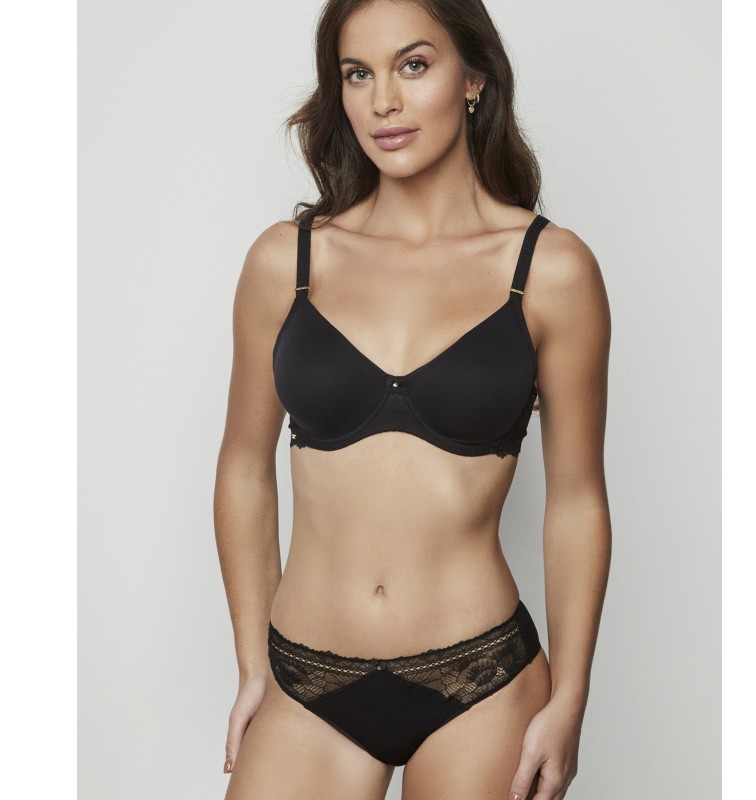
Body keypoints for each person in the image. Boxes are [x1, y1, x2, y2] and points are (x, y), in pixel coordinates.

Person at [213, 1, 611, 798]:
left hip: (481, 680)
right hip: (305, 677)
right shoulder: (287, 263)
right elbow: (243, 470)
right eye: (357, 74)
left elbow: (576, 501)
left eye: (414, 65)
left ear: (474, 78)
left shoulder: (550, 270)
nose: (384, 102)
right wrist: (254, 664)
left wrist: (570, 698)